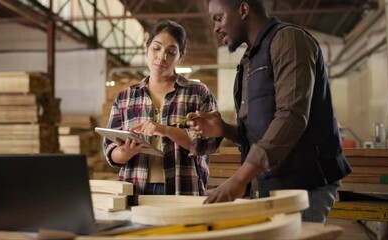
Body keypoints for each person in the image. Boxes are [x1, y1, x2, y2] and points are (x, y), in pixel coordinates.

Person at [187, 0, 352, 223]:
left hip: (302, 185)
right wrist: (224, 129)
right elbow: (260, 130)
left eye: (219, 18)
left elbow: (291, 117)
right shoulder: (249, 61)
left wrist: (239, 179)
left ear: (243, 10)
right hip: (269, 182)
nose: (215, 27)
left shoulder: (289, 40)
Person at [103, 19, 222, 196]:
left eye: (171, 52)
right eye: (156, 48)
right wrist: (124, 153)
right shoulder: (126, 97)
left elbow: (210, 142)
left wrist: (165, 130)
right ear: (147, 47)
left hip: (183, 188)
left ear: (180, 56)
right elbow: (109, 150)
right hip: (135, 189)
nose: (162, 56)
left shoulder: (197, 93)